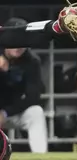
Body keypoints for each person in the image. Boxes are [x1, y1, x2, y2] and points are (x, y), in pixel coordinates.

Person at [0, 24, 48, 153]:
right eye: (14, 40)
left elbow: (33, 97)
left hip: (13, 112)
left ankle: (40, 156)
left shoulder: (32, 61)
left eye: (23, 40)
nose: (19, 45)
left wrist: (5, 113)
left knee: (36, 112)